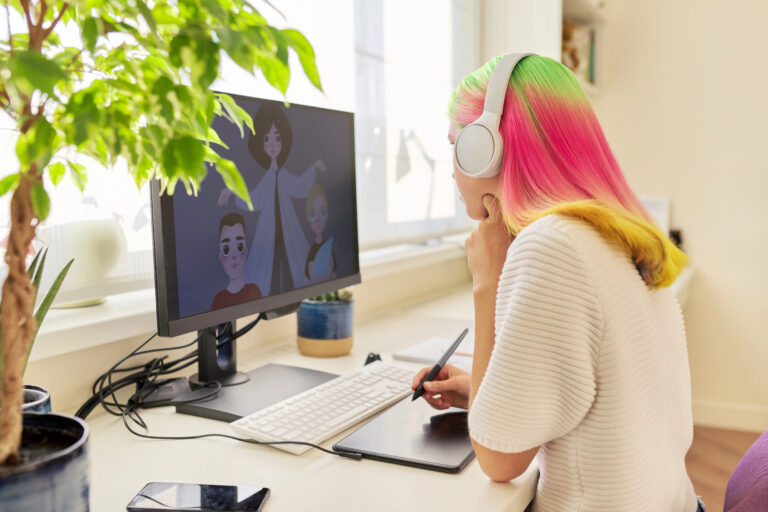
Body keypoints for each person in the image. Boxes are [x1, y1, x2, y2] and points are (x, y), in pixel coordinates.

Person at [411, 54, 702, 511]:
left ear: (486, 148)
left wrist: (487, 280)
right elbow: (605, 396)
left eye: (456, 146)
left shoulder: (551, 246)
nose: (451, 169)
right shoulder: (614, 233)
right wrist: (480, 390)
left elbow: (498, 458)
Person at [218, 103, 326, 296]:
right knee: (271, 271)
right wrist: (233, 190)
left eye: (277, 138)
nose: (273, 144)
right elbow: (254, 200)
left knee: (293, 268)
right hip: (269, 239)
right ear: (260, 142)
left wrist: (313, 169)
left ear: (284, 140)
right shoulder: (268, 179)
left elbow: (300, 187)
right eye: (267, 139)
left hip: (287, 235)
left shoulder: (283, 175)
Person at [211, 213, 262, 310]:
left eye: (239, 246)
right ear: (220, 256)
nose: (234, 255)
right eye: (226, 248)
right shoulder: (219, 300)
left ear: (246, 251)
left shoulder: (254, 291)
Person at [304, 184, 337, 283]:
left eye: (322, 213)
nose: (318, 220)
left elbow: (334, 273)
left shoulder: (328, 247)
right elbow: (307, 277)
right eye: (313, 214)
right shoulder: (312, 250)